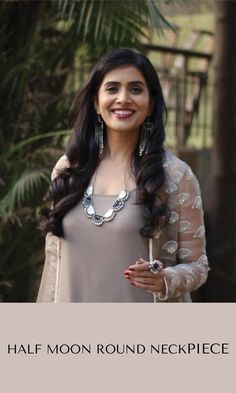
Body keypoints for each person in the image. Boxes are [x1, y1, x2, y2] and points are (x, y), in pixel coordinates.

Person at [37, 48, 209, 303]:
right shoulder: (68, 169)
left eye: (136, 89)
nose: (123, 98)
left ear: (150, 104)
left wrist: (165, 280)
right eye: (112, 88)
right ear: (96, 102)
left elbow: (198, 266)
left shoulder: (174, 175)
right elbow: (53, 267)